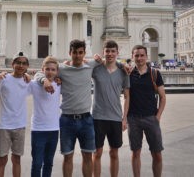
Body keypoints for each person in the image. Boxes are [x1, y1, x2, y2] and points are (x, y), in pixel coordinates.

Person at [36, 39, 99, 177]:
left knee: (88, 157)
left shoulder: (90, 66)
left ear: (84, 53)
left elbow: (109, 61)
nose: (77, 56)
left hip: (86, 119)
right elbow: (40, 73)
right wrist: (44, 80)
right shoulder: (62, 69)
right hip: (67, 119)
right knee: (68, 157)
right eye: (74, 52)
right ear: (70, 53)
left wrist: (123, 65)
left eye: (80, 53)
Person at [92, 40, 130, 177]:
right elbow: (79, 66)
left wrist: (124, 118)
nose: (110, 54)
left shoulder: (123, 72)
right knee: (97, 153)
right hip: (98, 117)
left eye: (113, 51)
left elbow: (127, 97)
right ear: (103, 52)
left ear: (117, 53)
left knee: (114, 153)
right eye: (107, 51)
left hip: (115, 117)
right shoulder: (96, 69)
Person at [128, 45, 166, 177]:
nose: (139, 58)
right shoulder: (128, 74)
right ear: (132, 57)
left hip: (151, 118)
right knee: (135, 153)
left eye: (142, 55)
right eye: (136, 55)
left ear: (146, 56)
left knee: (157, 154)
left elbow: (162, 97)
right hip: (133, 119)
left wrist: (158, 116)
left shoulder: (154, 73)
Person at [0, 51, 31, 177]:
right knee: (2, 160)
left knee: (17, 159)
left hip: (19, 126)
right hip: (3, 126)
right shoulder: (4, 79)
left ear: (27, 66)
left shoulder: (27, 81)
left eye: (24, 64)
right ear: (12, 64)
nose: (21, 66)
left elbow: (44, 78)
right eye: (18, 63)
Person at [30, 56, 61, 177]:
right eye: (47, 69)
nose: (50, 72)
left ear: (57, 72)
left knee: (49, 163)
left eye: (53, 69)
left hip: (54, 130)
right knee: (37, 164)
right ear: (42, 69)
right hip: (38, 130)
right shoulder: (34, 84)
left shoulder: (59, 84)